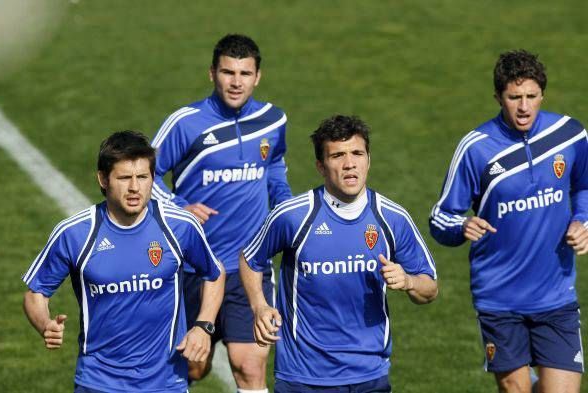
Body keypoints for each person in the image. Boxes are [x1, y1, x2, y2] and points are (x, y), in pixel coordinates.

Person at [239, 115, 438, 393]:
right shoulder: (293, 216)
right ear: (321, 166)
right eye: (337, 155)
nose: (349, 164)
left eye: (357, 153)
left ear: (368, 159)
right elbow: (250, 258)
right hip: (303, 376)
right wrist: (260, 306)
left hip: (370, 374)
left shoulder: (392, 218)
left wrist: (408, 282)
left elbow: (429, 289)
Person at [429, 50, 588, 393]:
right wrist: (461, 227)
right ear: (498, 97)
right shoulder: (476, 148)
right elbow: (440, 217)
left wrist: (583, 220)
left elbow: (584, 185)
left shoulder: (570, 135)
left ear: (542, 94)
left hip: (556, 295)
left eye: (531, 96)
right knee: (516, 389)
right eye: (514, 97)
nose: (524, 107)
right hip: (499, 298)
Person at [22, 130, 225, 393]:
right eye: (124, 178)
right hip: (98, 382)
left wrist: (203, 326)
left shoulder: (179, 225)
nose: (134, 188)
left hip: (166, 382)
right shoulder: (75, 234)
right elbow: (36, 292)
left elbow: (215, 273)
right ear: (103, 179)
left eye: (142, 177)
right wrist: (44, 324)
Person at [151, 33, 291, 392]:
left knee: (249, 368)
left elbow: (274, 167)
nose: (236, 81)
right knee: (191, 367)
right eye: (228, 72)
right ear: (212, 73)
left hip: (249, 267)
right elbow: (142, 174)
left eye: (245, 73)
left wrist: (286, 211)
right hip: (195, 266)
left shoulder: (273, 120)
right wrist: (180, 207)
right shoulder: (185, 122)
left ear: (257, 76)